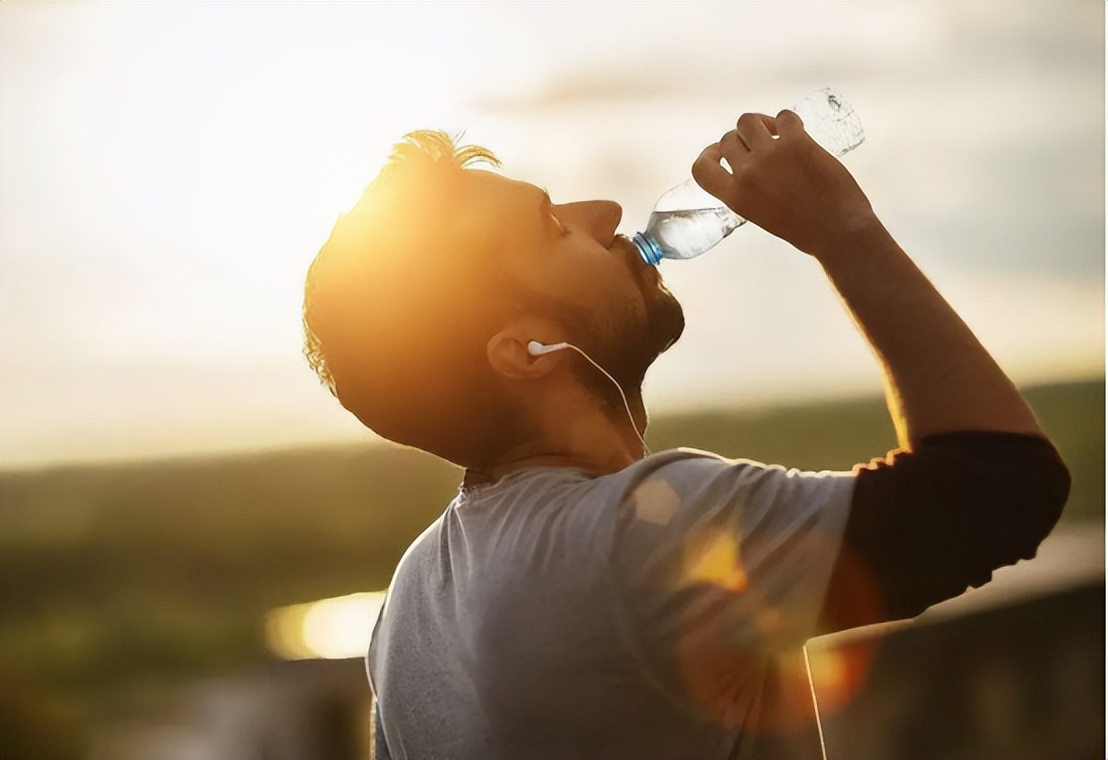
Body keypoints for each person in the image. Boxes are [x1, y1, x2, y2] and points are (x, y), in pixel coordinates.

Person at [301, 113, 1070, 760]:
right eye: (552, 227)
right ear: (524, 352)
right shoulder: (637, 536)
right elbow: (999, 487)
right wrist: (841, 227)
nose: (605, 211)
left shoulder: (408, 606)